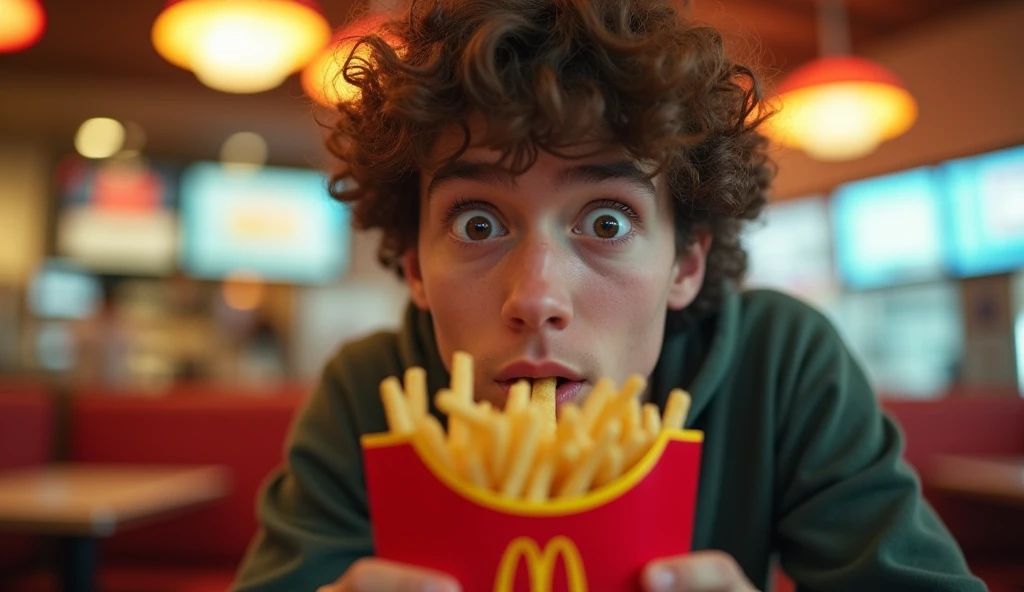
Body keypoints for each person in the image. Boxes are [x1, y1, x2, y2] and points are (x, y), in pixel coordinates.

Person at [233, 0, 986, 590]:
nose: (536, 298)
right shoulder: (369, 393)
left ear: (687, 262)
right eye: (478, 220)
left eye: (606, 219)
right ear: (415, 268)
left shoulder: (781, 364)